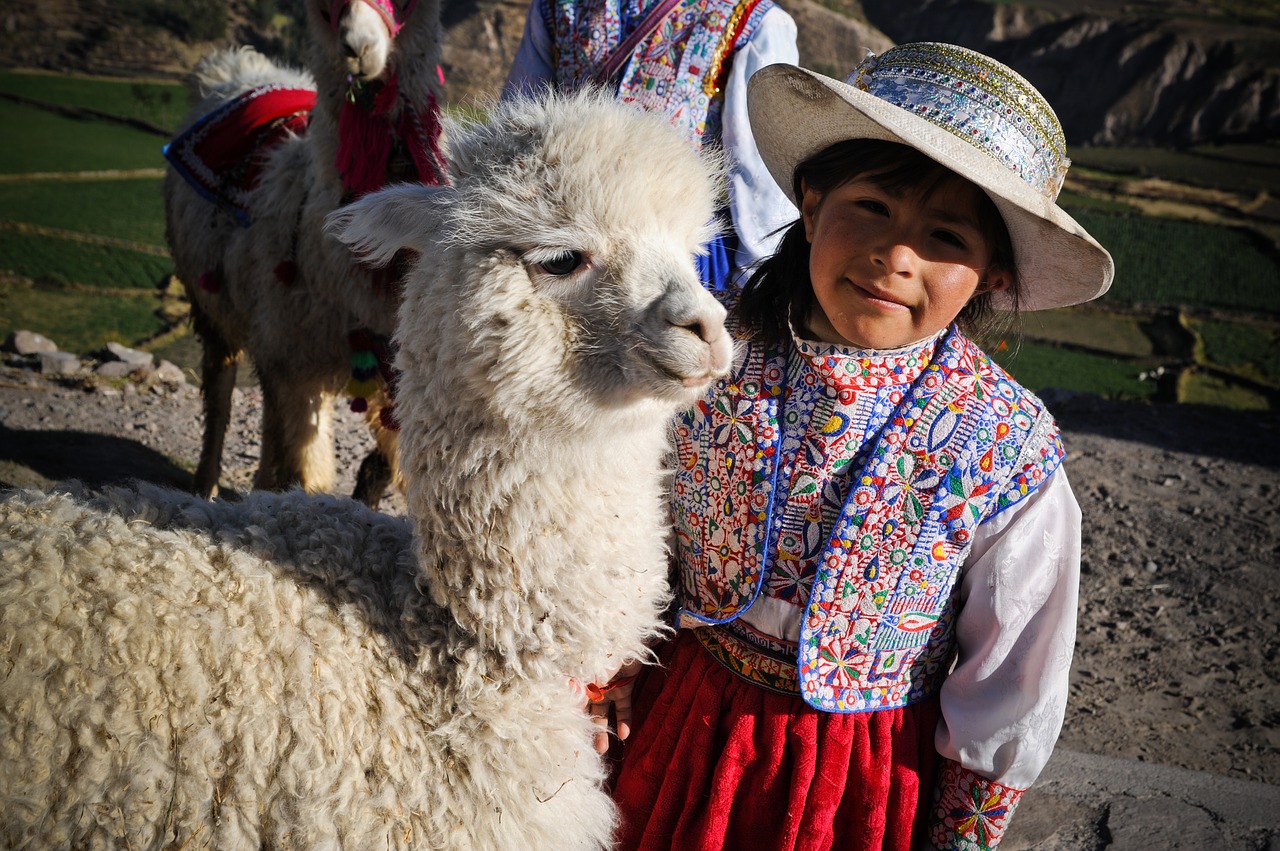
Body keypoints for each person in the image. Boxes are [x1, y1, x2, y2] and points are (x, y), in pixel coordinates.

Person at [588, 42, 1115, 850]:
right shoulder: (708, 356)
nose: (897, 256)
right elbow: (624, 520)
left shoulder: (1003, 445)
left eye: (945, 237)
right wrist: (605, 670)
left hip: (858, 777)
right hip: (677, 719)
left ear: (994, 277)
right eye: (872, 206)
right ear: (811, 198)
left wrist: (962, 832)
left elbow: (1015, 669)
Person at [503, 0, 799, 289]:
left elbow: (758, 167)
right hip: (570, 248)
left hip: (681, 250)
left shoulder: (752, 19)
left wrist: (759, 275)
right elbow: (519, 132)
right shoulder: (557, 8)